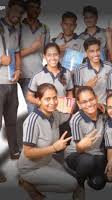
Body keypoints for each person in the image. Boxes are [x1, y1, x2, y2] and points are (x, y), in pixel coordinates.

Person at [17, 83, 84, 200]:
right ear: (38, 100)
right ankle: (27, 183)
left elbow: (70, 113)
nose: (52, 102)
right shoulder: (32, 121)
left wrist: (87, 106)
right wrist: (54, 148)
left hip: (47, 161)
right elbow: (28, 152)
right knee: (72, 184)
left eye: (54, 98)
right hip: (31, 167)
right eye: (47, 99)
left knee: (73, 177)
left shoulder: (55, 115)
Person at [64, 86, 107, 194]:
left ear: (96, 98)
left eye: (91, 99)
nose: (89, 104)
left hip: (96, 154)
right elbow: (79, 149)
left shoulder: (103, 112)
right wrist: (83, 145)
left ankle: (86, 174)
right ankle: (79, 184)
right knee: (88, 161)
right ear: (79, 104)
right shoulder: (76, 120)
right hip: (76, 154)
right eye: (84, 102)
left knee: (98, 184)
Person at [0, 0, 25, 182]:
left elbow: (16, 53)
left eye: (20, 13)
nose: (18, 15)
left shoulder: (15, 29)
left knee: (11, 120)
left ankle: (15, 152)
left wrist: (17, 69)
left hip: (11, 83)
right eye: (15, 11)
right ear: (8, 9)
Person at [19, 0, 50, 113]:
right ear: (26, 9)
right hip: (23, 74)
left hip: (40, 74)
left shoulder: (45, 29)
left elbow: (47, 52)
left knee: (42, 107)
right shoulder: (18, 27)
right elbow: (12, 54)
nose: (34, 10)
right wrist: (32, 48)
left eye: (37, 7)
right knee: (32, 107)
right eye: (31, 7)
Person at [26, 42, 74, 107]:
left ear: (59, 55)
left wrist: (69, 107)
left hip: (62, 113)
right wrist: (40, 103)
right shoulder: (37, 76)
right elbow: (29, 96)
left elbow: (69, 93)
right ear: (44, 56)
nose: (53, 58)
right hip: (44, 113)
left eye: (55, 54)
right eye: (49, 55)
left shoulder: (67, 73)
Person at [74, 37, 112, 104]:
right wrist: (87, 87)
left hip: (106, 107)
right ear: (86, 53)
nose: (96, 54)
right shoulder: (79, 69)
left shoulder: (109, 66)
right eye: (92, 51)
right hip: (88, 107)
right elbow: (77, 94)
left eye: (97, 50)